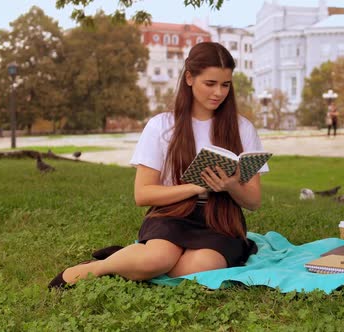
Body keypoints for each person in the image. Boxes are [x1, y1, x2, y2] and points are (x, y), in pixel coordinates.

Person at [49, 42, 268, 289]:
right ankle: (99, 267)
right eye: (210, 83)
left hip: (221, 218)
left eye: (225, 85)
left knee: (196, 268)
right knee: (158, 258)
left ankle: (133, 262)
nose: (219, 92)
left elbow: (254, 202)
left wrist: (230, 185)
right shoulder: (162, 126)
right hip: (173, 212)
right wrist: (195, 187)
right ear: (189, 78)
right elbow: (143, 194)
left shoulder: (243, 128)